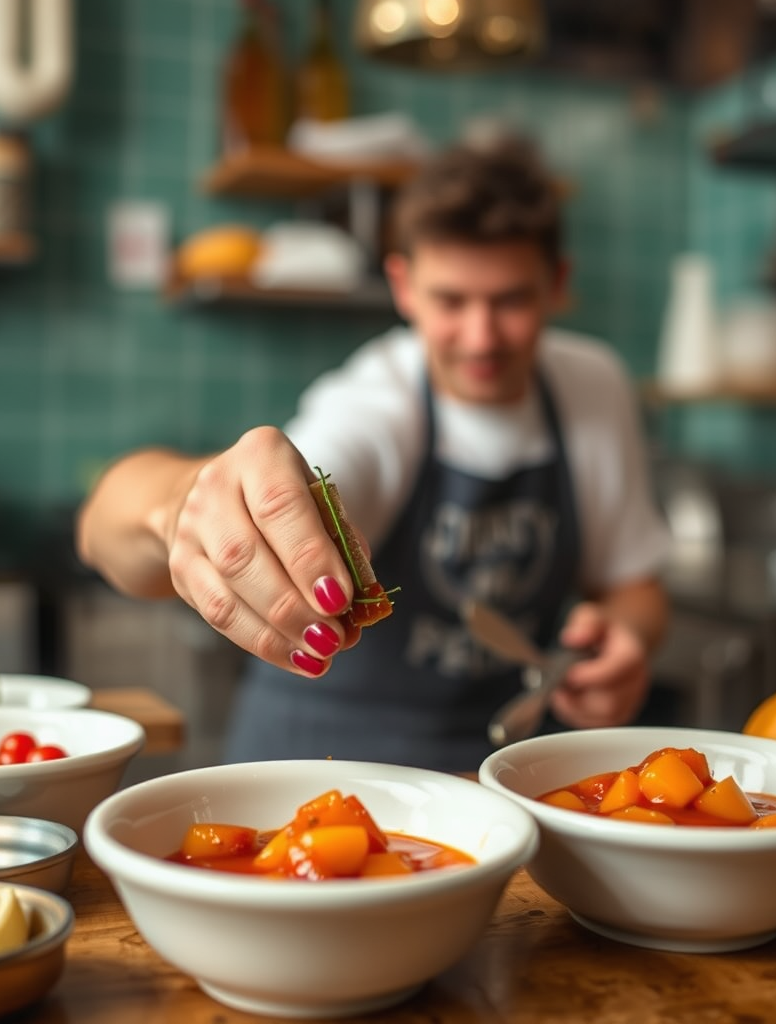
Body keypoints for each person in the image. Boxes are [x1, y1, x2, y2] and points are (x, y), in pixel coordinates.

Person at [76, 135, 671, 772]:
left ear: (556, 284)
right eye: (451, 301)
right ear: (403, 286)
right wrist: (179, 507)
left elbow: (633, 585)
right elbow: (102, 530)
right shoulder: (373, 403)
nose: (480, 337)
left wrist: (622, 639)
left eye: (510, 301)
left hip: (502, 769)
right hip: (321, 763)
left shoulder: (594, 386)